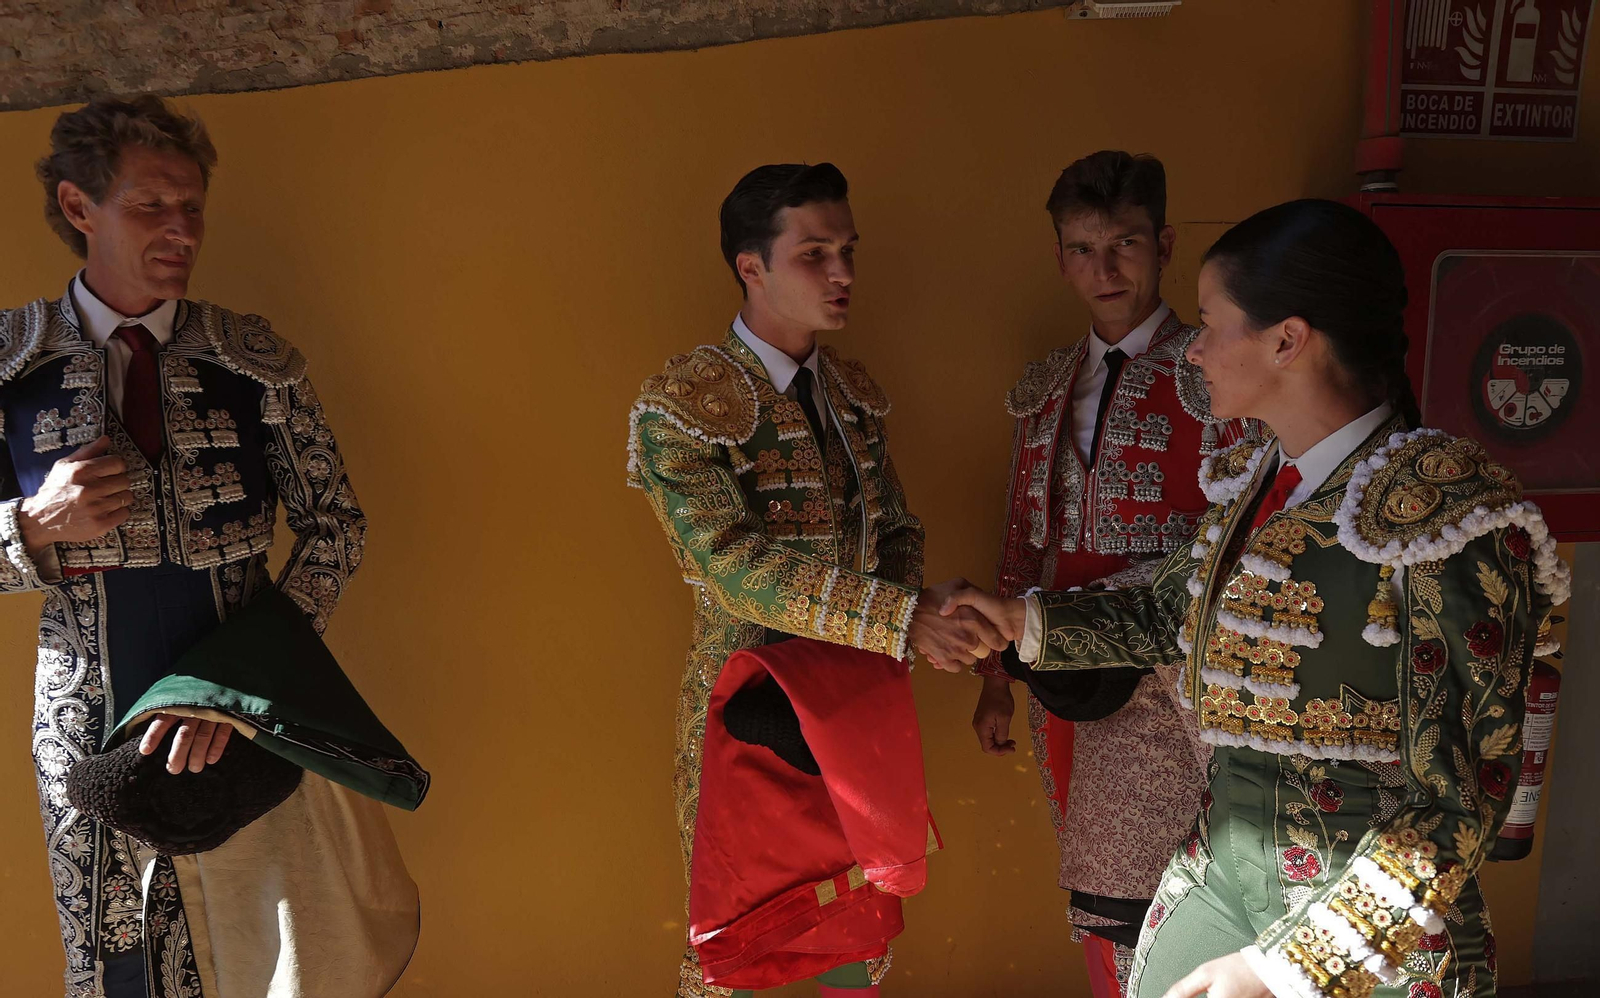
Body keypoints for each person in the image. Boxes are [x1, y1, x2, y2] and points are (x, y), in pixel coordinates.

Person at [947, 199, 1567, 998]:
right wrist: (1020, 622)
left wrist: (1285, 969)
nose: (1194, 350)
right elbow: (1169, 612)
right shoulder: (1261, 481)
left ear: (1287, 339)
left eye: (1210, 324)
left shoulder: (1445, 515)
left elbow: (1464, 793)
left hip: (1358, 923)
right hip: (1218, 872)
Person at [2, 94, 417, 997]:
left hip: (244, 708)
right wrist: (33, 525)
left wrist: (238, 690)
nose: (181, 229)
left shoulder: (251, 359)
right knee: (116, 962)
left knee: (268, 957)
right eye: (151, 205)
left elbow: (336, 527)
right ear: (80, 208)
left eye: (192, 207)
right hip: (89, 714)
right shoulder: (9, 365)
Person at [626, 162, 999, 997]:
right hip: (742, 706)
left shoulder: (854, 394)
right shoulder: (681, 402)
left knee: (857, 924)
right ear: (750, 267)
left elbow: (897, 527)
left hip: (853, 701)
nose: (844, 275)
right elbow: (731, 566)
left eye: (848, 251)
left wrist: (917, 625)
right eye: (815, 253)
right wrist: (903, 621)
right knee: (735, 941)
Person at [971, 150, 1253, 997]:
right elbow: (1025, 537)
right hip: (1067, 662)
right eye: (1085, 250)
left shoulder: (1215, 371)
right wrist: (994, 672)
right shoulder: (1045, 386)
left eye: (1125, 244)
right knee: (1099, 881)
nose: (1106, 269)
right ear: (1061, 259)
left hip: (1189, 668)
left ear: (1163, 243)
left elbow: (1242, 533)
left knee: (1191, 885)